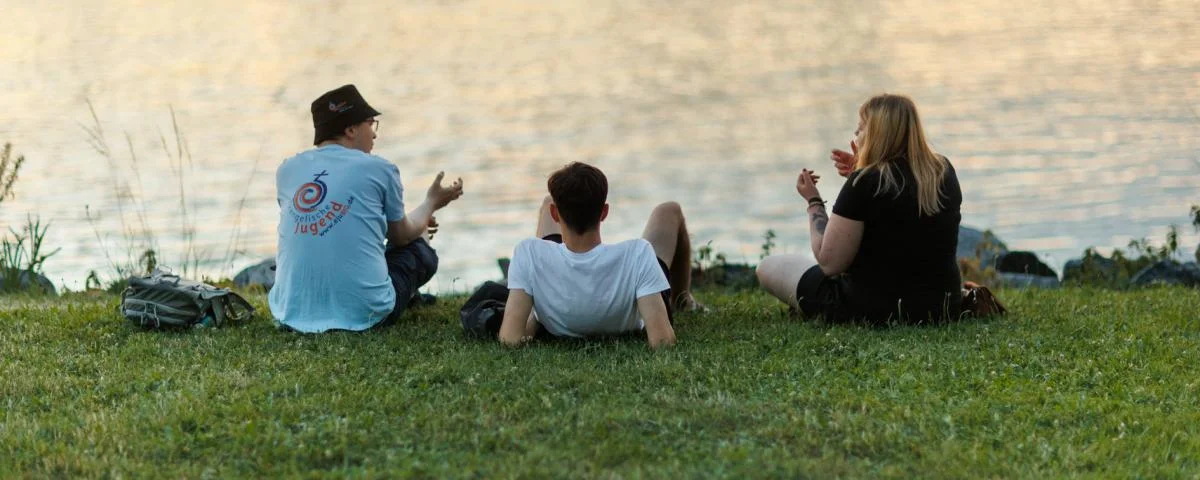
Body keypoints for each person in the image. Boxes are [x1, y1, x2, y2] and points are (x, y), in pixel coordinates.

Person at [269, 84, 464, 333]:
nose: (374, 134)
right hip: (366, 314)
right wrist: (431, 204)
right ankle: (405, 294)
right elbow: (401, 235)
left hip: (289, 313)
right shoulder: (379, 169)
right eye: (370, 124)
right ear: (351, 129)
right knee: (418, 246)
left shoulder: (288, 170)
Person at [756, 94, 963, 324]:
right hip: (942, 308)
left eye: (860, 129)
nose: (856, 136)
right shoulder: (943, 171)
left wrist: (813, 201)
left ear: (877, 133)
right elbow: (902, 202)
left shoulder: (864, 182)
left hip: (872, 310)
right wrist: (862, 167)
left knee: (768, 267)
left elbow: (830, 263)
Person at [497, 162, 701, 348]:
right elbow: (662, 341)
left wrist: (537, 315)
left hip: (555, 290)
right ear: (604, 212)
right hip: (632, 281)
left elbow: (510, 339)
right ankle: (681, 300)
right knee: (669, 210)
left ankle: (557, 225)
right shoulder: (638, 254)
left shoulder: (528, 253)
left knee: (550, 200)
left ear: (555, 215)